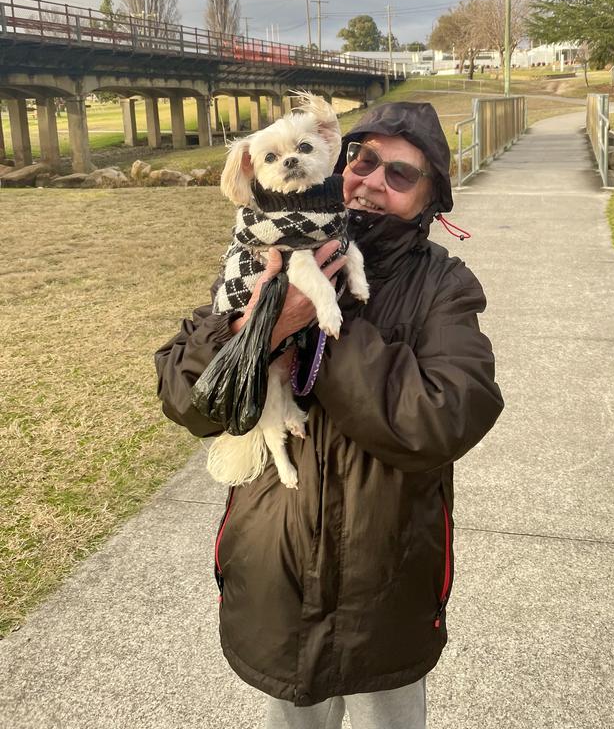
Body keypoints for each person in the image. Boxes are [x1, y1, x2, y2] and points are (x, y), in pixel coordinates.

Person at [154, 101, 503, 729]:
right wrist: (256, 328)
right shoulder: (261, 249)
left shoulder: (445, 286)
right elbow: (185, 398)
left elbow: (443, 417)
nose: (371, 181)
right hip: (274, 575)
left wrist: (314, 328)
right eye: (363, 160)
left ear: (429, 200)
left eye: (399, 175)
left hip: (388, 586)